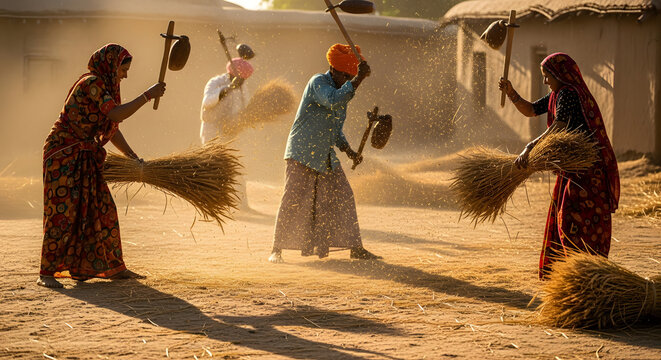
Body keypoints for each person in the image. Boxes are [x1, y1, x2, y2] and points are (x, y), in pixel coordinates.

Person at [38, 44, 166, 288]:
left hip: (84, 154)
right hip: (62, 154)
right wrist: (147, 96)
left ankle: (115, 268)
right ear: (110, 65)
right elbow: (116, 114)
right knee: (62, 214)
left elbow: (112, 126)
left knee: (102, 209)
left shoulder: (108, 87)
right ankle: (46, 273)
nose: (125, 75)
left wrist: (131, 156)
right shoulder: (92, 83)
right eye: (123, 70)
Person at [499, 52, 620, 279]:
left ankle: (583, 274)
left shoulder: (569, 94)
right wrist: (511, 92)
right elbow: (531, 110)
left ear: (559, 74)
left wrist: (529, 148)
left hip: (585, 174)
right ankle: (573, 275)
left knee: (572, 220)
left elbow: (559, 127)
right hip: (573, 172)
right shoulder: (558, 94)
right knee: (567, 218)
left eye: (547, 76)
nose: (545, 81)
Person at [268, 43, 381, 263]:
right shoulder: (318, 82)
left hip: (324, 155)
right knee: (292, 198)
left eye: (351, 76)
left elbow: (335, 130)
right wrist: (359, 79)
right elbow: (332, 100)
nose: (348, 80)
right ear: (334, 70)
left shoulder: (343, 91)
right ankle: (276, 249)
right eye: (346, 76)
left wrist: (349, 152)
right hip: (301, 152)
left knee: (344, 195)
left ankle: (355, 248)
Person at [200, 57, 254, 209]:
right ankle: (211, 202)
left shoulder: (243, 87)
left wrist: (238, 123)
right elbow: (208, 102)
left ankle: (241, 204)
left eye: (244, 80)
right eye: (240, 79)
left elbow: (244, 108)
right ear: (231, 74)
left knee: (236, 165)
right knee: (212, 165)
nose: (242, 82)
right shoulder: (215, 83)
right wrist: (228, 88)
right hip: (211, 131)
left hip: (231, 132)